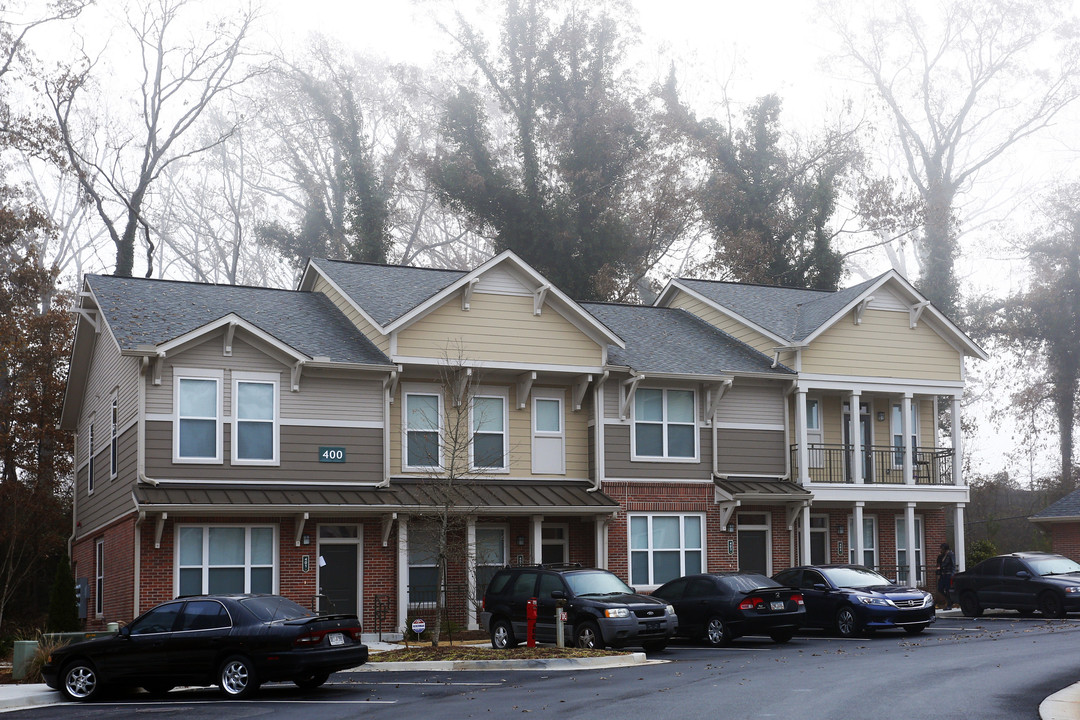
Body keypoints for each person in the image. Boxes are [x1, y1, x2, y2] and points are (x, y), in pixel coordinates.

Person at [936, 542, 956, 609]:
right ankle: (950, 600)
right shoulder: (941, 556)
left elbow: (953, 565)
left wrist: (952, 575)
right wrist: (938, 574)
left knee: (947, 589)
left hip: (948, 574)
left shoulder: (950, 554)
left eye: (941, 548)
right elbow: (938, 565)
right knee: (940, 589)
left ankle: (949, 604)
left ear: (945, 549)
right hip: (942, 574)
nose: (940, 550)